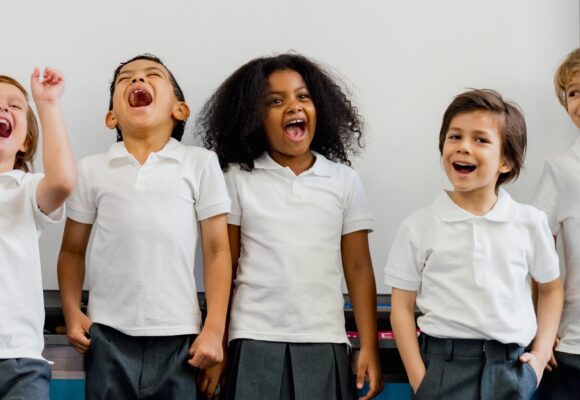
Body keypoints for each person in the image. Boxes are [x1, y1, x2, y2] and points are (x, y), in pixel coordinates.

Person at [196, 53, 382, 400]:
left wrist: (368, 345)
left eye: (303, 96)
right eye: (275, 101)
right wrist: (218, 344)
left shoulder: (344, 180)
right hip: (252, 340)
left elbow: (358, 268)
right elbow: (225, 265)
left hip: (324, 341)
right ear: (255, 117)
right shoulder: (237, 179)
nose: (292, 106)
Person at [57, 54, 231, 399]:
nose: (138, 81)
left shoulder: (199, 163)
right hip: (106, 335)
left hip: (181, 335)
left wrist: (213, 328)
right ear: (111, 118)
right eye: (127, 79)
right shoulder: (92, 170)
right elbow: (71, 250)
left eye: (152, 76)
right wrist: (71, 311)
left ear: (179, 109)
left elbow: (217, 250)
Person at [385, 89, 563, 399]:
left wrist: (539, 356)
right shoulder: (418, 226)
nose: (463, 147)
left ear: (505, 161)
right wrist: (420, 379)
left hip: (510, 368)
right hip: (442, 367)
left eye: (480, 140)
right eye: (455, 137)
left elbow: (550, 289)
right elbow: (401, 307)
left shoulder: (529, 222)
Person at [0, 68, 76, 399]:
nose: (3, 110)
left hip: (20, 357)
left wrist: (46, 104)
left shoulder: (27, 189)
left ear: (26, 140)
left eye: (14, 106)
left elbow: (61, 182)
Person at [534, 48, 580, 400]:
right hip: (572, 348)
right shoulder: (561, 168)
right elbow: (537, 253)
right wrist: (541, 334)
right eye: (574, 93)